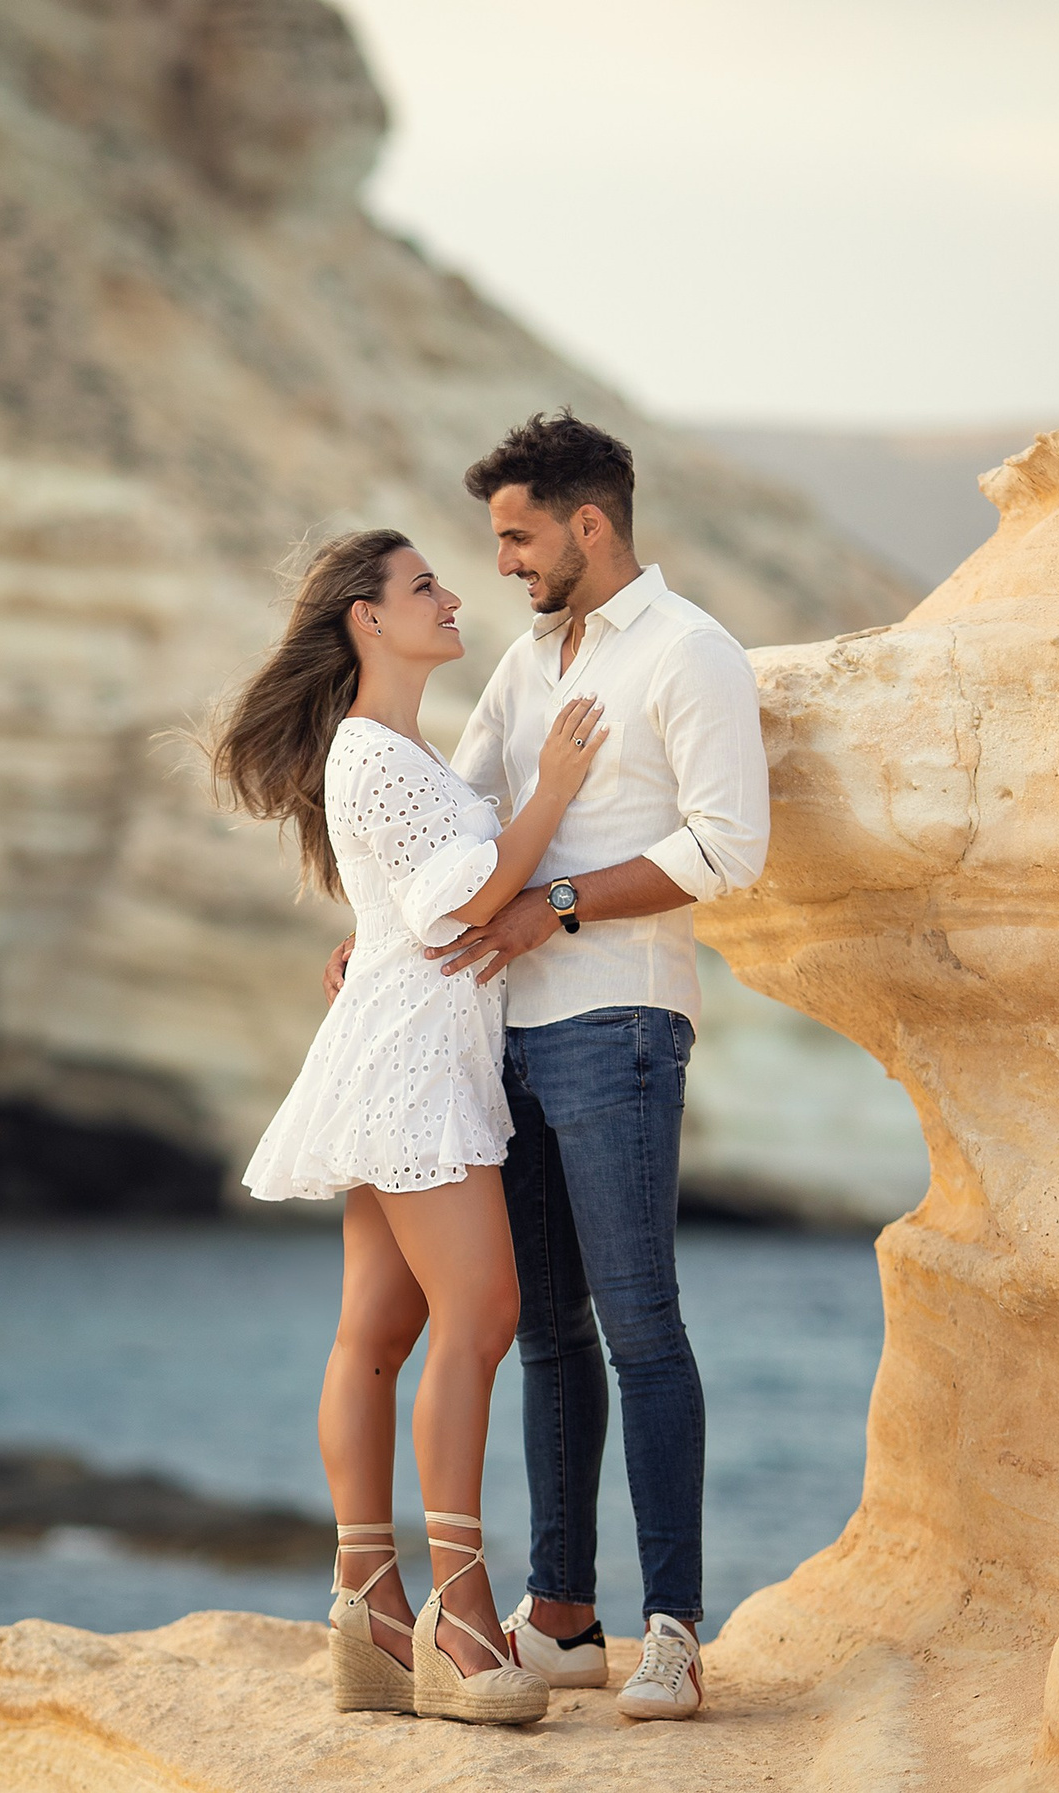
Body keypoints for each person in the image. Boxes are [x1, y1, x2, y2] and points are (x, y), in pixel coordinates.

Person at [323, 413, 769, 1721]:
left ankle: (673, 1629)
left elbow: (727, 846)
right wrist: (369, 932)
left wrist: (557, 905)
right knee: (546, 1336)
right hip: (497, 1038)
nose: (504, 562)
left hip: (619, 1024)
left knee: (643, 1330)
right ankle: (561, 1616)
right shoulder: (529, 663)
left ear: (590, 524)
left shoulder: (693, 654)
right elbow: (448, 821)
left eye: (518, 536)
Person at [209, 528, 604, 1725]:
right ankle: (461, 1608)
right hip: (415, 1057)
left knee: (378, 1329)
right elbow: (466, 904)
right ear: (366, 620)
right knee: (481, 1313)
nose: (450, 596)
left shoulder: (391, 749)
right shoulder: (374, 754)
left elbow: (407, 905)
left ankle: (368, 1597)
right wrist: (553, 797)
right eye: (422, 584)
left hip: (410, 1038)